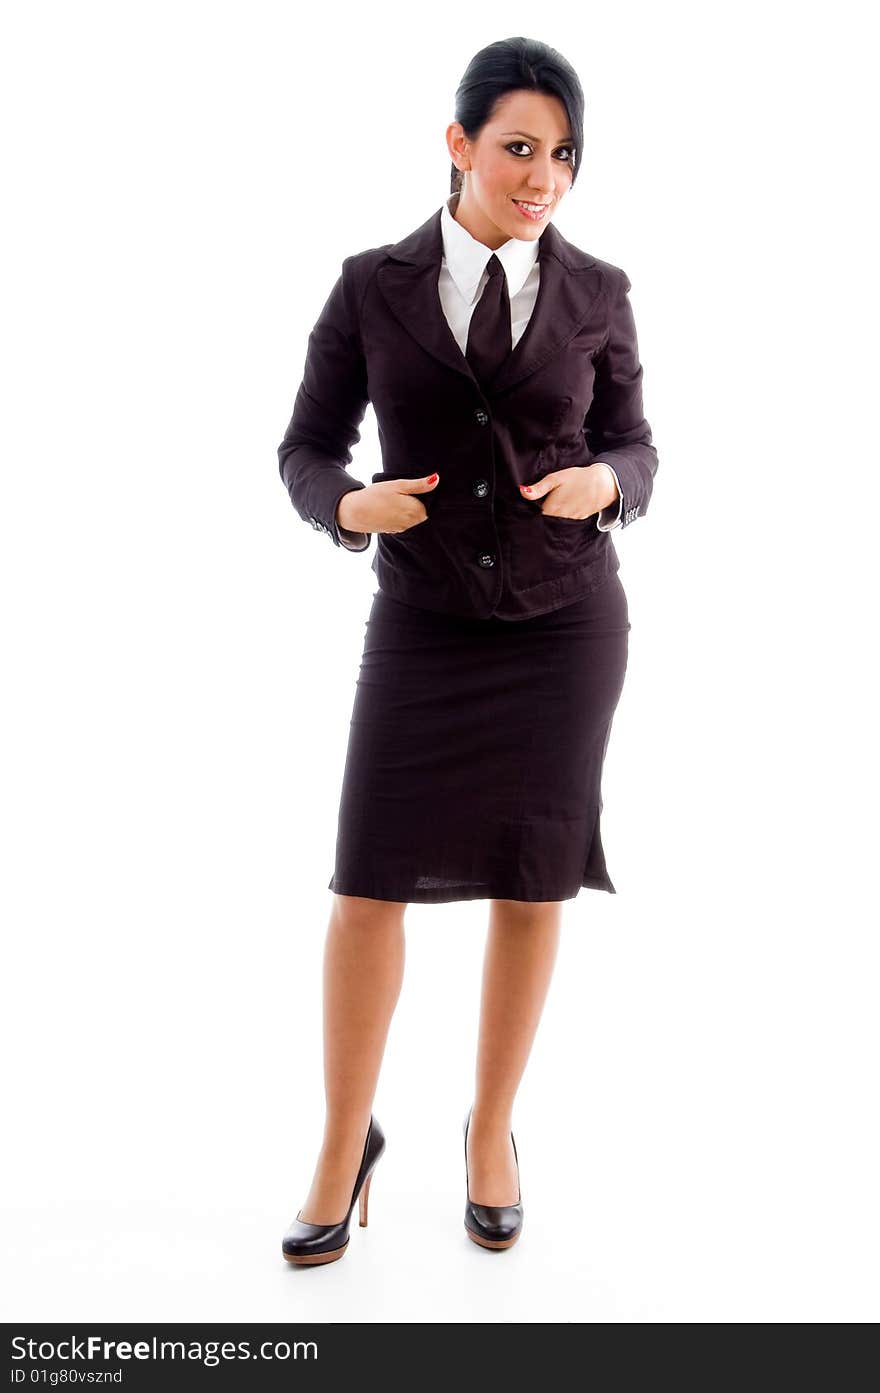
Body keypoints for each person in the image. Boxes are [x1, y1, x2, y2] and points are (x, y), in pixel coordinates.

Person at [277, 36, 659, 1264]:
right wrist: (345, 505)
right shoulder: (370, 283)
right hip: (424, 623)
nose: (541, 176)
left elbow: (640, 444)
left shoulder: (597, 288)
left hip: (566, 627)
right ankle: (344, 1142)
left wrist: (608, 478)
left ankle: (491, 1131)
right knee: (364, 886)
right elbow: (305, 447)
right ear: (457, 144)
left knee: (533, 879)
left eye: (561, 156)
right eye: (517, 149)